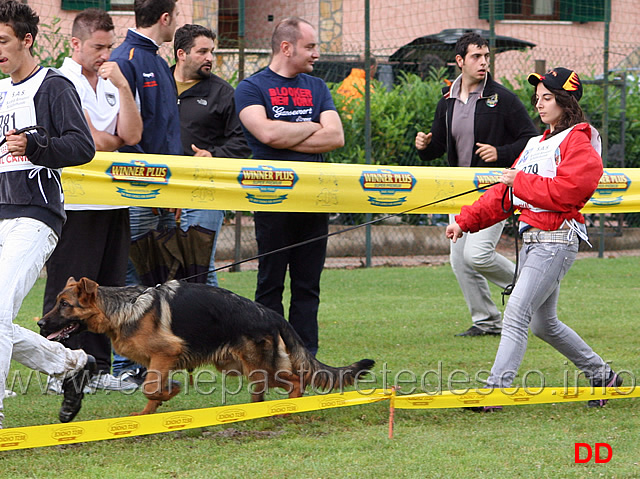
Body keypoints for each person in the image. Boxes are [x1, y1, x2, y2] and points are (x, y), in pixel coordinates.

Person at [446, 67, 621, 410]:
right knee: (544, 325)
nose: (539, 104)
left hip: (556, 240)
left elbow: (568, 193)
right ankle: (603, 376)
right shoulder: (536, 144)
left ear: (565, 101)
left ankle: (495, 391)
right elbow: (505, 196)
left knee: (516, 314)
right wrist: (465, 222)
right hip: (532, 242)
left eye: (547, 98)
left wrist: (518, 182)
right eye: (537, 98)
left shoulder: (581, 142)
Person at [0, 0, 97, 427]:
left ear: (27, 40)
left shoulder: (53, 86)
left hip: (36, 215)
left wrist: (36, 146)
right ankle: (71, 363)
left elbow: (82, 147)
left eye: (3, 41)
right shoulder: (1, 90)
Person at [42, 8, 142, 393]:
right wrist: (109, 138)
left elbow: (130, 135)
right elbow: (94, 141)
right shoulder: (61, 81)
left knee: (107, 286)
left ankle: (98, 368)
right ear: (75, 44)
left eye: (110, 46)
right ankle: (59, 368)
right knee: (67, 288)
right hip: (76, 201)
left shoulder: (108, 81)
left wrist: (124, 88)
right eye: (98, 47)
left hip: (113, 197)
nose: (105, 54)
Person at [415, 32, 538, 337]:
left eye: (486, 56)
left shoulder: (503, 98)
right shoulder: (446, 101)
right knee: (460, 262)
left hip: (494, 191)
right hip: (457, 192)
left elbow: (532, 140)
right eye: (476, 57)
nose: (483, 62)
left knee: (477, 255)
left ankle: (534, 286)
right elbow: (439, 147)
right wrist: (424, 147)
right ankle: (487, 322)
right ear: (460, 61)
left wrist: (501, 153)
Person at [235, 17, 344, 356]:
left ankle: (305, 356)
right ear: (287, 47)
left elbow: (336, 137)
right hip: (272, 198)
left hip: (314, 198)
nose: (316, 53)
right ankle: (266, 354)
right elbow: (265, 135)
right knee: (269, 284)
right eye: (310, 46)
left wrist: (284, 135)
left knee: (307, 285)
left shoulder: (317, 86)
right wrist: (312, 127)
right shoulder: (251, 88)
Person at [109, 0, 181, 381]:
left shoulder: (156, 59)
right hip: (139, 188)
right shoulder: (128, 58)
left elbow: (167, 130)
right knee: (133, 276)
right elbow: (127, 131)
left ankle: (150, 362)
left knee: (157, 275)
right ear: (165, 17)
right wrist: (151, 181)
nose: (177, 23)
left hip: (166, 187)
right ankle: (125, 366)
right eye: (177, 16)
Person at [172, 24, 251, 286]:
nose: (209, 58)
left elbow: (242, 141)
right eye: (202, 51)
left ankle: (212, 326)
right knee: (157, 267)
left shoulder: (223, 92)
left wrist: (213, 155)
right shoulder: (157, 85)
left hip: (205, 189)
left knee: (199, 267)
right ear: (181, 54)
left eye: (212, 52)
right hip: (158, 186)